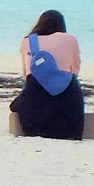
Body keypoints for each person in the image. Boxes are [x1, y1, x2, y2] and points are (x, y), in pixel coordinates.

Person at [10, 9, 85, 140]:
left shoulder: (28, 41)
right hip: (71, 126)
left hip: (35, 123)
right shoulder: (70, 39)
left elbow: (27, 72)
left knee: (16, 105)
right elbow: (75, 69)